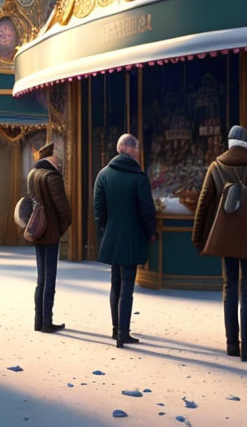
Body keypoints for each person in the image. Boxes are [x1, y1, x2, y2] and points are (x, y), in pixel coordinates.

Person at [193, 125, 247, 361]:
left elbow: (203, 205)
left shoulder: (216, 167)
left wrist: (198, 238)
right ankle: (246, 348)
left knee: (229, 286)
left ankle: (232, 344)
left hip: (224, 236)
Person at [93, 133, 156, 348]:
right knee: (127, 285)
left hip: (111, 237)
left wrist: (104, 233)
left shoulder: (103, 175)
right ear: (129, 149)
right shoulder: (139, 178)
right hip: (132, 238)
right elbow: (147, 211)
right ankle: (123, 333)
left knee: (115, 284)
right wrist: (151, 232)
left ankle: (114, 329)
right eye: (136, 148)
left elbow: (98, 210)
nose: (138, 152)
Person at [27, 141, 73, 333]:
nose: (60, 165)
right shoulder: (52, 176)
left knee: (41, 278)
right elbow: (62, 207)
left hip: (38, 230)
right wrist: (63, 226)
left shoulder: (32, 174)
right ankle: (47, 321)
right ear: (51, 159)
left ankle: (38, 321)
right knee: (50, 278)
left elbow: (30, 201)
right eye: (58, 161)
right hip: (51, 231)